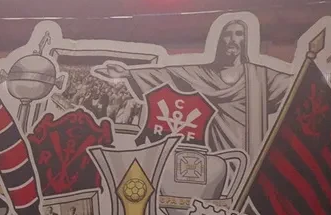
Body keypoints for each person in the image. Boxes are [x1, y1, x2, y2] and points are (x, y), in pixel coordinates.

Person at [99, 19, 291, 157]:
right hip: (211, 149)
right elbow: (168, 74)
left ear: (245, 40)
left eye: (239, 34)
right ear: (220, 40)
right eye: (227, 34)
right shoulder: (202, 73)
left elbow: (292, 86)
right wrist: (128, 73)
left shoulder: (260, 76)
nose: (232, 39)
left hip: (250, 148)